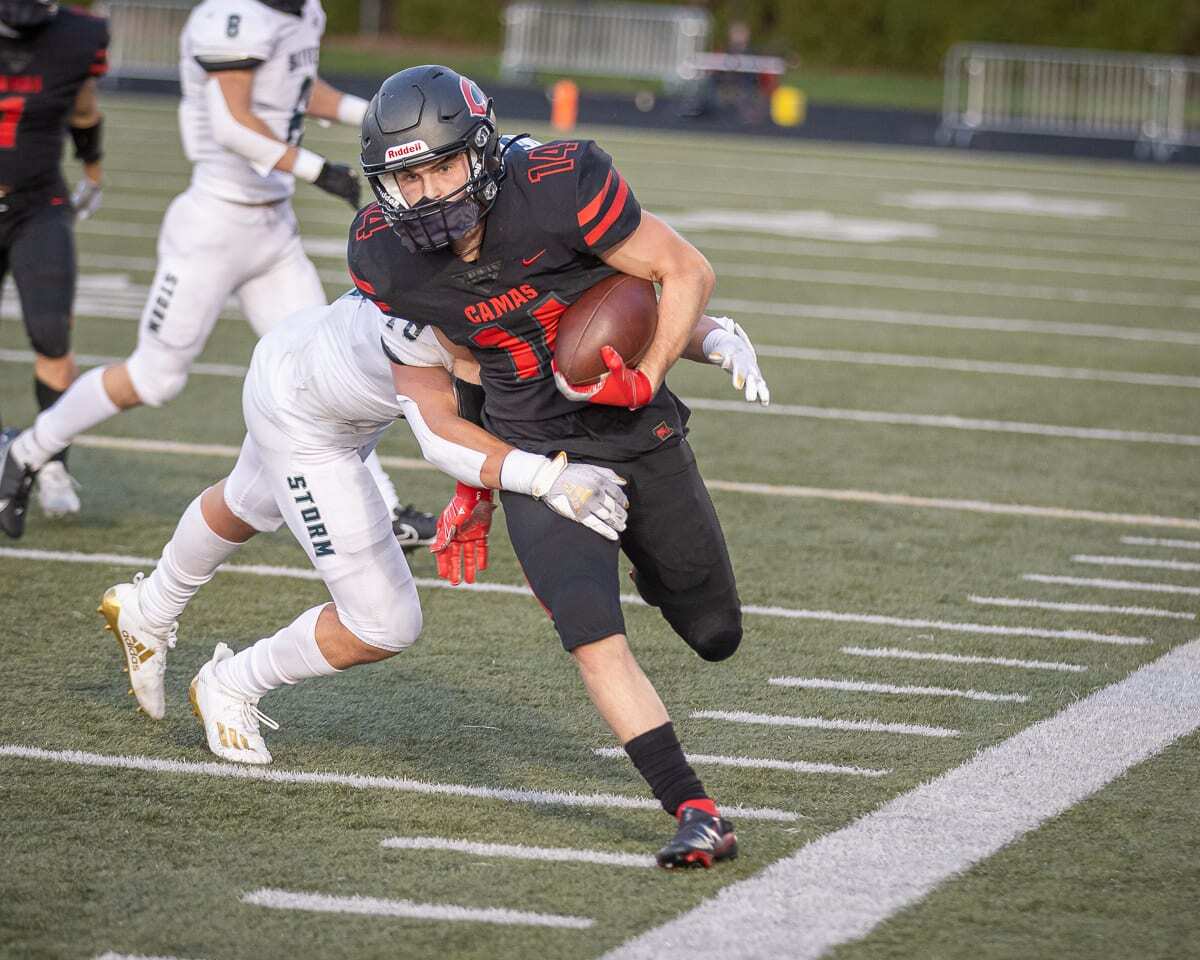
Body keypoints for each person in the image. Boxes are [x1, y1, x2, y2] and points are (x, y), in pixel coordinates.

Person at [347, 65, 770, 868]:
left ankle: (653, 558)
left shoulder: (557, 182)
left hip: (634, 426)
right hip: (537, 447)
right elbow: (456, 374)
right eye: (407, 176)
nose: (429, 192)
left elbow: (681, 272)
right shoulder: (383, 258)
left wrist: (677, 356)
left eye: (442, 166)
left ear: (482, 152)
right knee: (590, 632)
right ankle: (695, 809)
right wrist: (484, 482)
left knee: (714, 632)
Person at [101, 290, 633, 763]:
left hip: (309, 363)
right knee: (384, 622)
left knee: (248, 502)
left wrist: (715, 340)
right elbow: (441, 431)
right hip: (308, 417)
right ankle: (231, 683)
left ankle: (149, 609)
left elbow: (654, 270)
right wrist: (546, 478)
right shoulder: (433, 310)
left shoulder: (496, 264)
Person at [0, 0, 435, 545]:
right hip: (214, 225)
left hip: (272, 227)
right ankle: (26, 450)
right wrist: (316, 169)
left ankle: (386, 512)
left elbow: (297, 87)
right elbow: (232, 125)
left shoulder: (305, 12)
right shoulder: (232, 17)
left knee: (326, 367)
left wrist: (380, 111)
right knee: (155, 378)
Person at [0, 0, 107, 517]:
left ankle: (50, 461)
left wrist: (92, 165)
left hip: (35, 203)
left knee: (52, 334)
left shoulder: (75, 36)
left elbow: (84, 105)